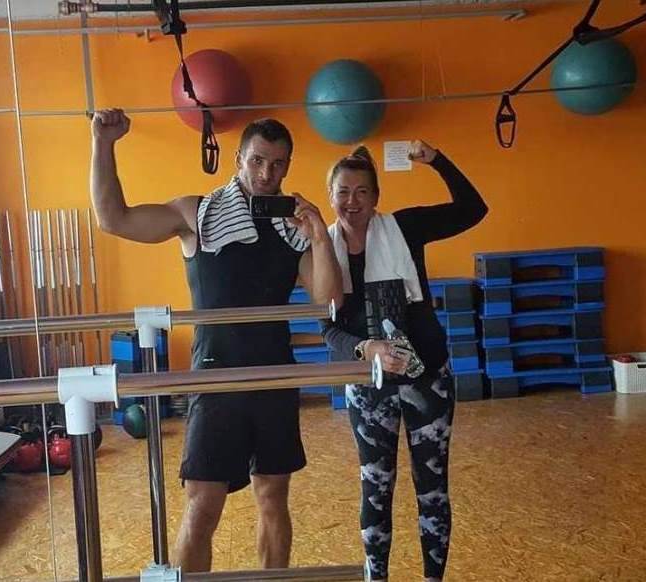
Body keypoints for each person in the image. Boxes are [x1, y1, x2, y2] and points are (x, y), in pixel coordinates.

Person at [89, 109, 342, 572]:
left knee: (272, 496)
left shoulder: (293, 228)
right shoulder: (197, 213)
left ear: (287, 166)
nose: (266, 174)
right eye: (257, 161)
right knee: (203, 502)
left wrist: (320, 238)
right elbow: (113, 219)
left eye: (277, 164)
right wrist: (103, 144)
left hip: (273, 376)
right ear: (238, 159)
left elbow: (328, 301)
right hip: (215, 375)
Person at [320, 140, 487, 581]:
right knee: (375, 489)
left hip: (427, 378)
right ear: (330, 195)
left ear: (376, 196)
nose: (352, 201)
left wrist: (437, 160)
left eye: (362, 191)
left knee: (432, 489)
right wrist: (365, 348)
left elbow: (473, 209)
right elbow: (328, 329)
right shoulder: (323, 248)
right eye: (343, 191)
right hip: (368, 384)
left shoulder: (404, 228)